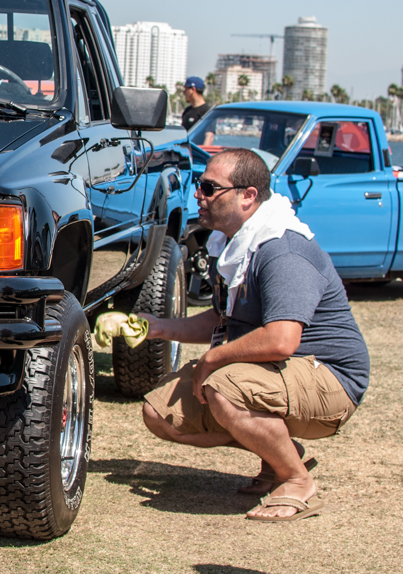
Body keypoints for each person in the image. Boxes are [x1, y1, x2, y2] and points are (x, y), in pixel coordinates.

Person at [140, 148, 369, 521]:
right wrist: (160, 328)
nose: (199, 195)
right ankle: (282, 453)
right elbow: (222, 318)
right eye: (200, 184)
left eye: (211, 188)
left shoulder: (283, 249)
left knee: (223, 385)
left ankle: (297, 481)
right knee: (159, 412)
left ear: (248, 195)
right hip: (276, 372)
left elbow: (282, 340)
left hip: (330, 378)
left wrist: (212, 359)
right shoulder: (233, 244)